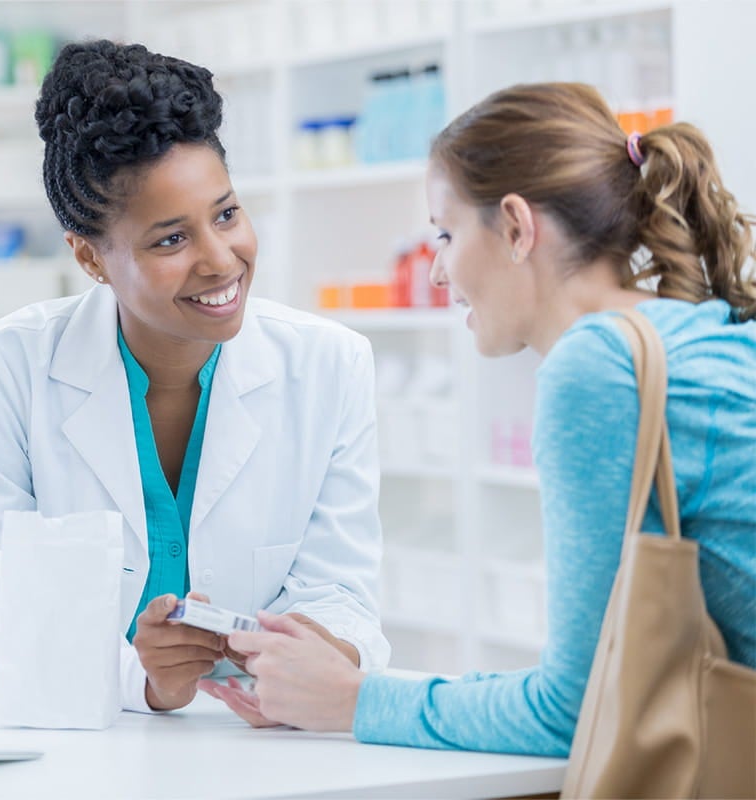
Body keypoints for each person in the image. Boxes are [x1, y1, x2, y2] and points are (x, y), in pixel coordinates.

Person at [206, 82, 756, 755]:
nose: (437, 271)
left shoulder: (598, 366)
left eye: (445, 232)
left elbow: (576, 713)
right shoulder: (699, 334)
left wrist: (352, 701)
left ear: (518, 227)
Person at [0, 40, 390, 713]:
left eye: (227, 214)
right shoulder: (9, 368)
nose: (221, 261)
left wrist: (311, 653)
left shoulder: (329, 364)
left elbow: (344, 594)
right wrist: (144, 680)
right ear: (91, 258)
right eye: (171, 240)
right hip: (74, 760)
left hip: (262, 753)